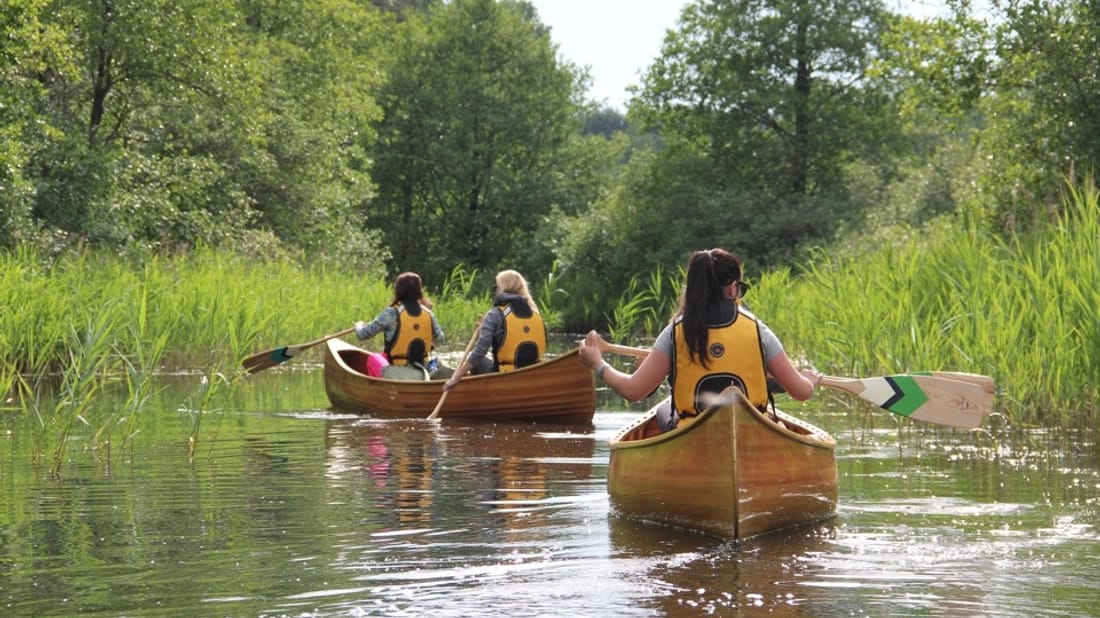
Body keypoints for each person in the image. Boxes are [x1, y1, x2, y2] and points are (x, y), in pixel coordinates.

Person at [578, 248, 821, 432]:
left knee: (663, 408)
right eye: (739, 287)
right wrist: (808, 381)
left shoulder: (674, 333)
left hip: (694, 431)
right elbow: (800, 392)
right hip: (751, 430)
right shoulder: (758, 330)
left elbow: (634, 392)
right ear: (731, 288)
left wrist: (598, 364)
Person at [442, 269, 546, 392]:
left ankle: (480, 396)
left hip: (505, 376)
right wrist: (484, 331)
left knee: (478, 361)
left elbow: (480, 351)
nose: (495, 289)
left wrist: (456, 377)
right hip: (534, 376)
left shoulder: (495, 314)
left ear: (502, 288)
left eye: (496, 286)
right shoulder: (536, 314)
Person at [355, 272, 446, 375]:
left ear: (398, 290)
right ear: (419, 291)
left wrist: (359, 325)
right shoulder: (428, 313)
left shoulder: (391, 313)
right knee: (437, 363)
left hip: (397, 372)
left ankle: (381, 388)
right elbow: (440, 340)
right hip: (425, 371)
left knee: (373, 358)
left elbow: (362, 335)